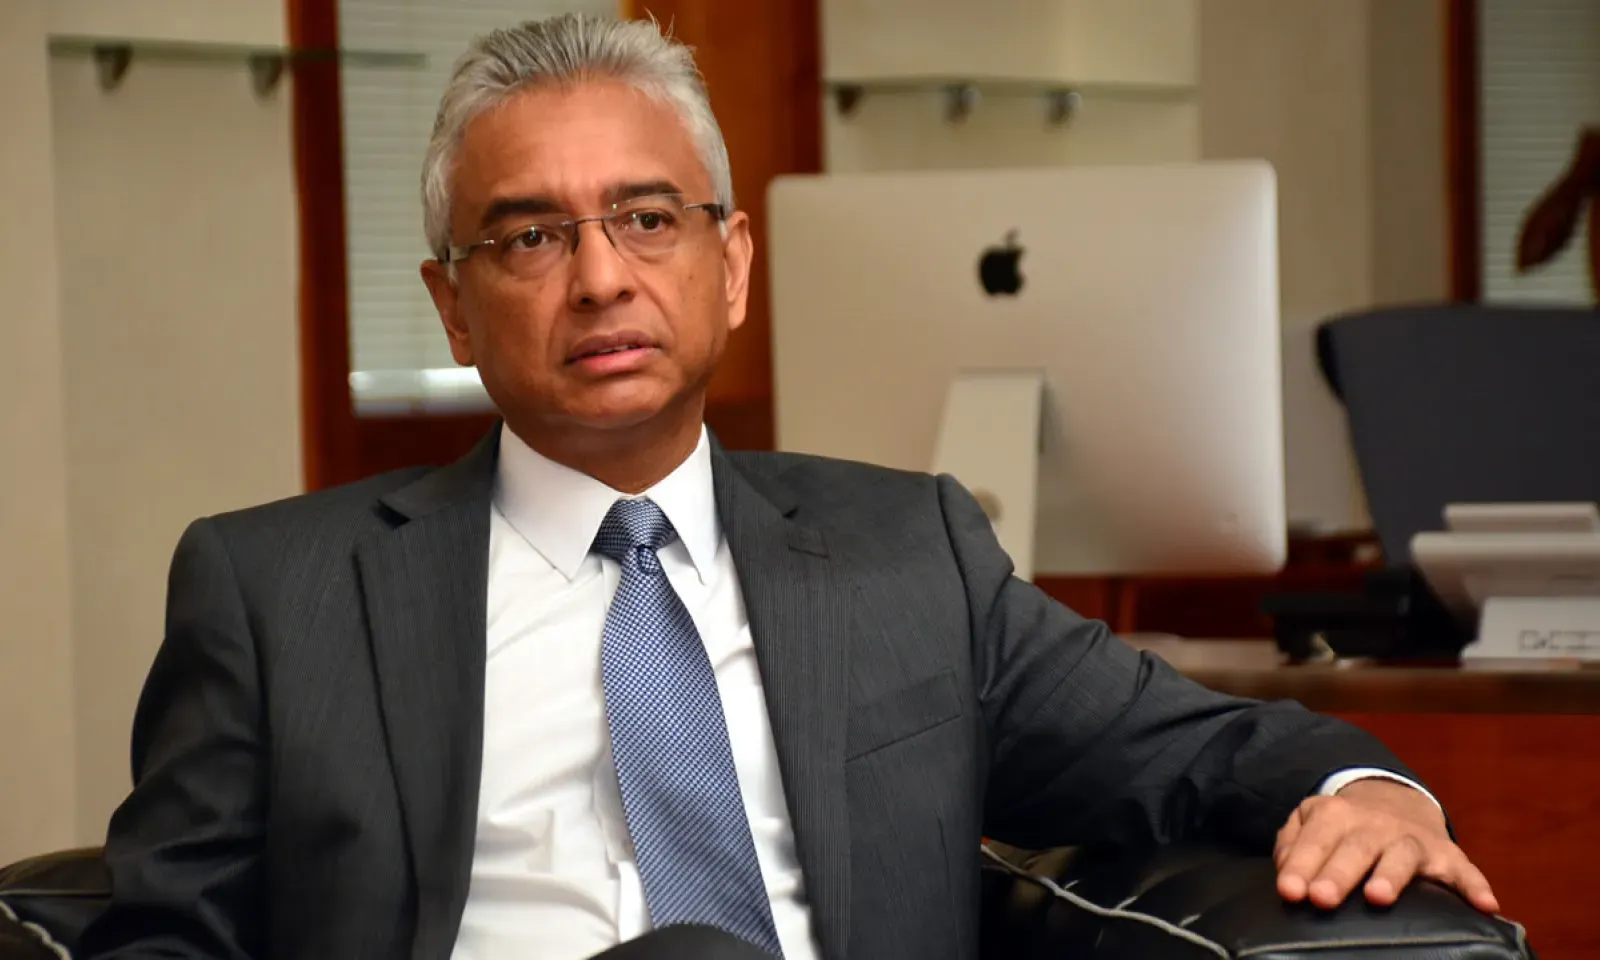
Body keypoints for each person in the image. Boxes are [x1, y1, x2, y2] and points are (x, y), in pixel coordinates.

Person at [79, 13, 1497, 960]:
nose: (602, 277)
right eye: (530, 238)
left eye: (648, 217)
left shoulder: (911, 557)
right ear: (452, 307)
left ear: (734, 265)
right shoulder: (276, 593)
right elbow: (163, 937)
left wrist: (1375, 790)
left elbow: (1194, 747)